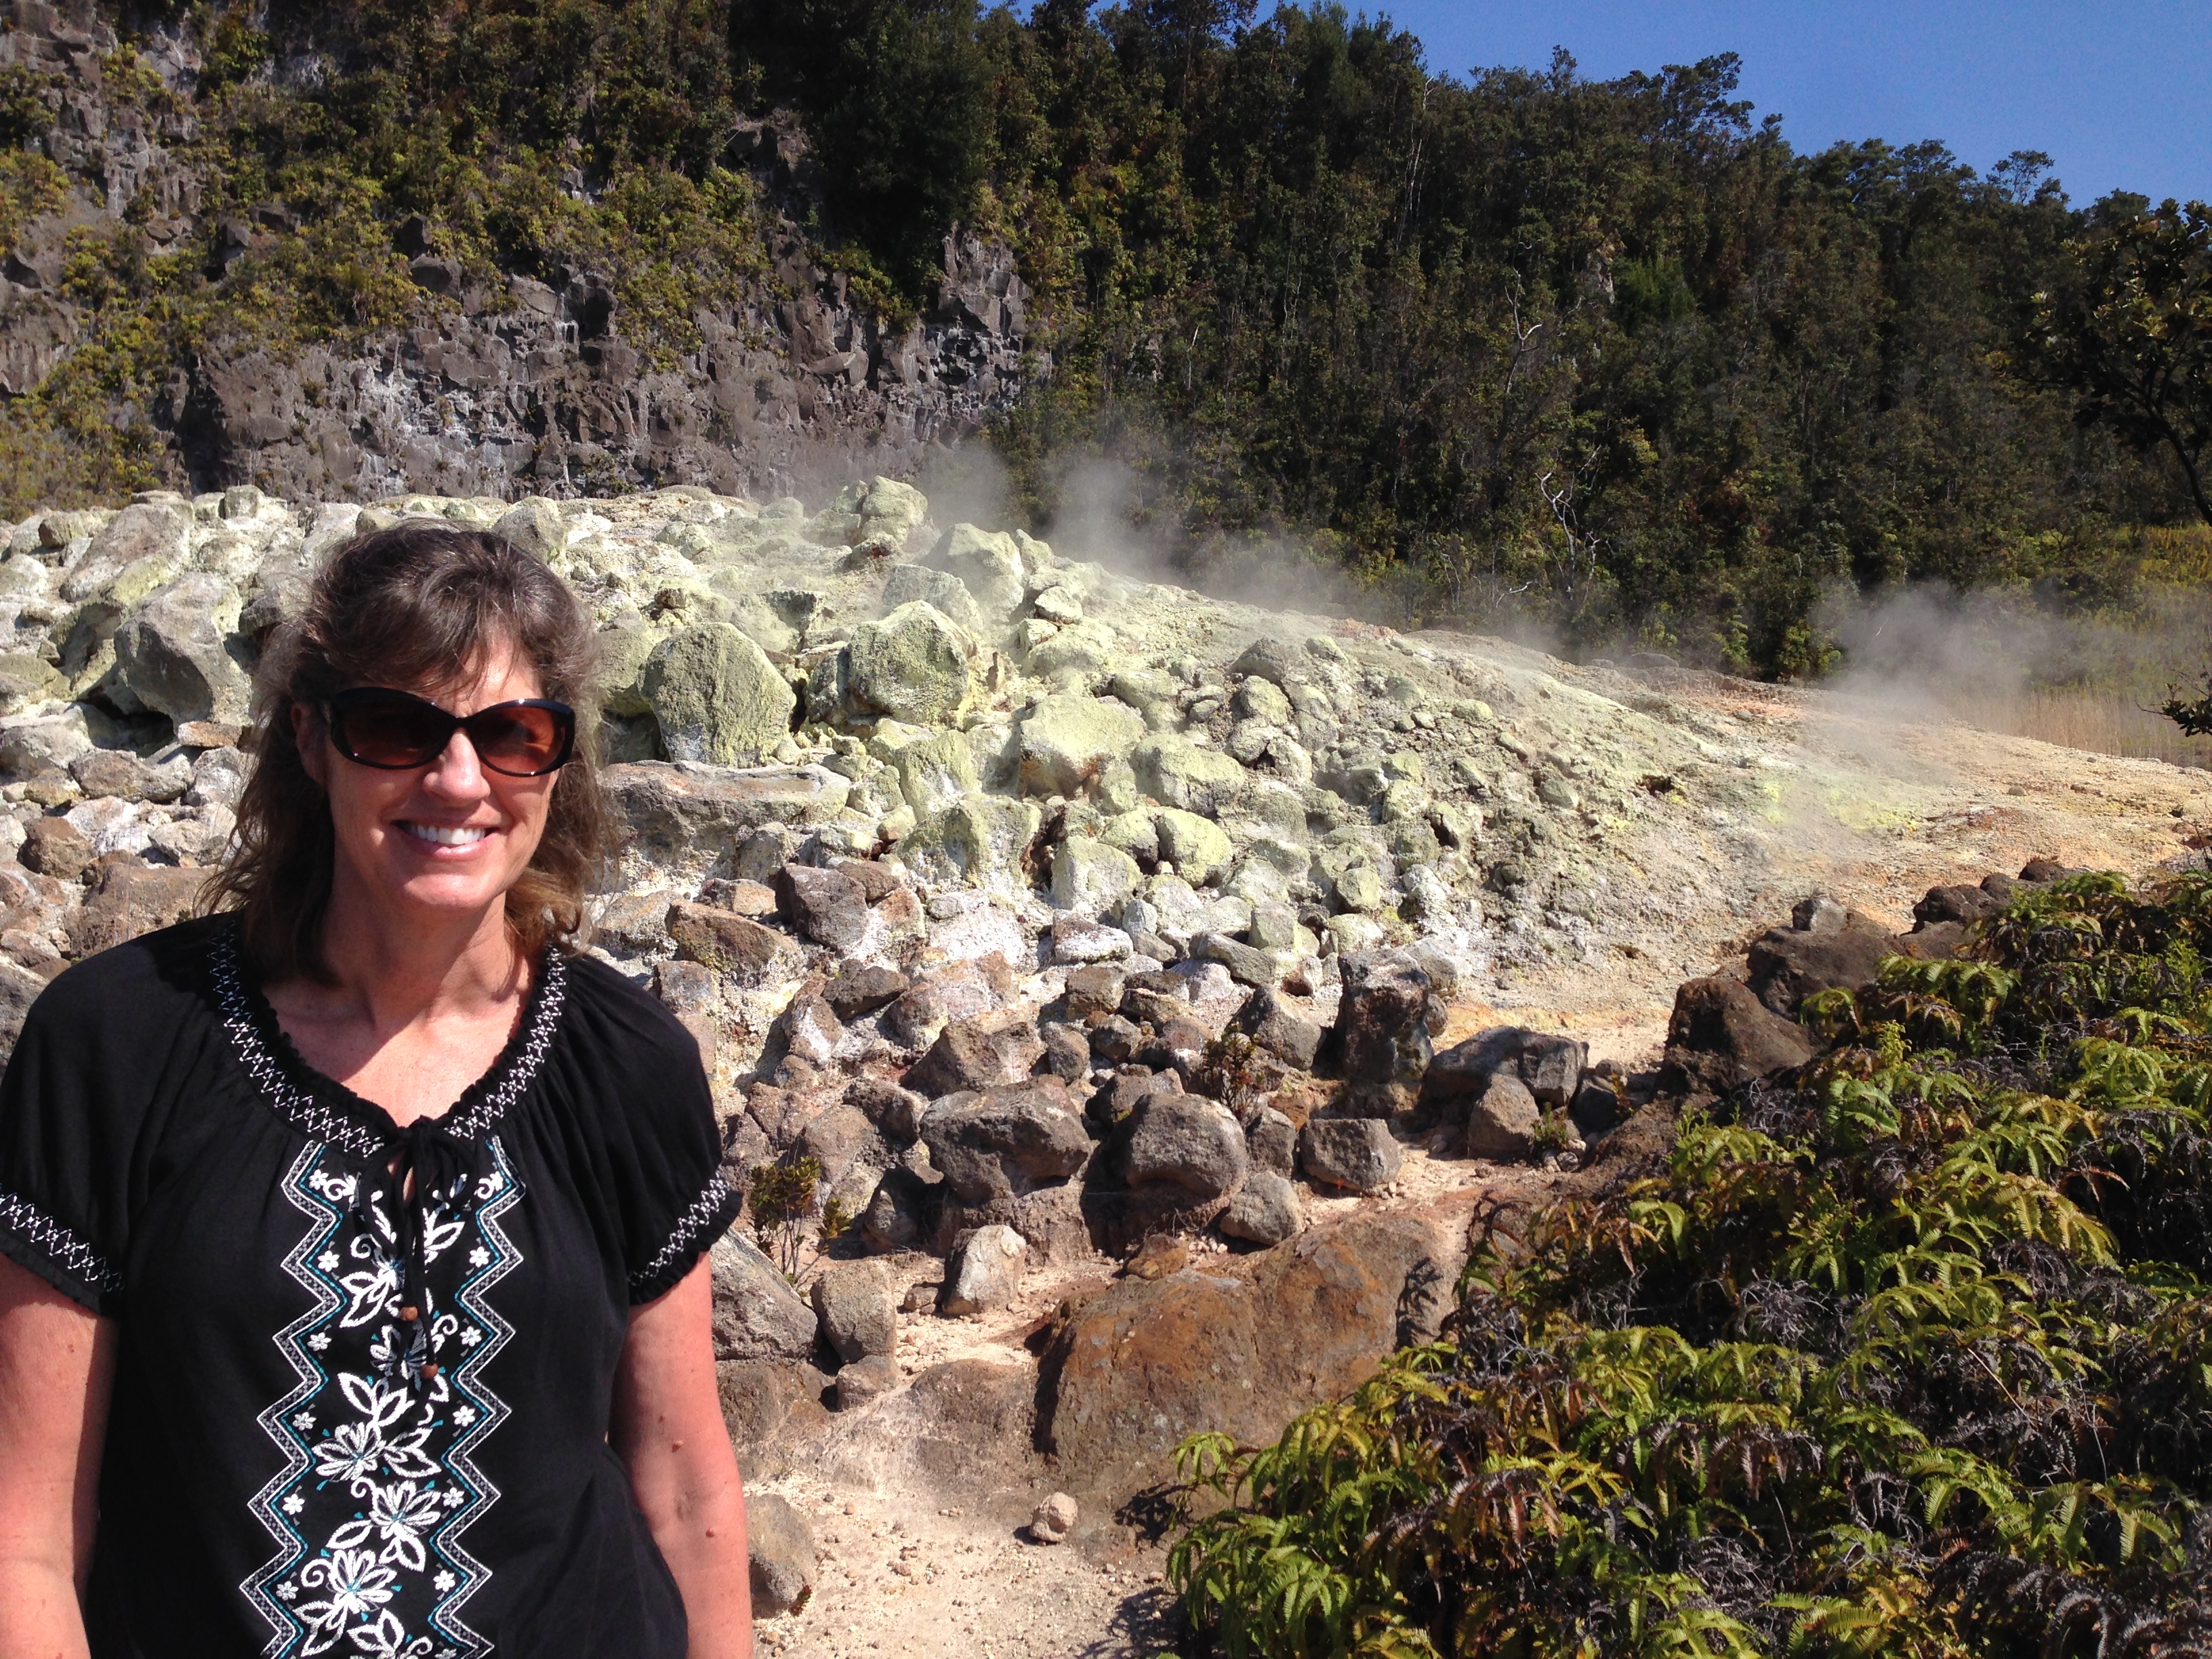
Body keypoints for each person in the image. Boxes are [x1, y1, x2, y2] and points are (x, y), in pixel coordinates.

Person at [0, 523, 753, 1657]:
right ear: (311, 739)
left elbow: (688, 1493)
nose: (458, 780)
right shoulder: (119, 1044)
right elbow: (29, 1533)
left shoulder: (628, 1066)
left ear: (558, 762)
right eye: (397, 727)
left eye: (512, 735)